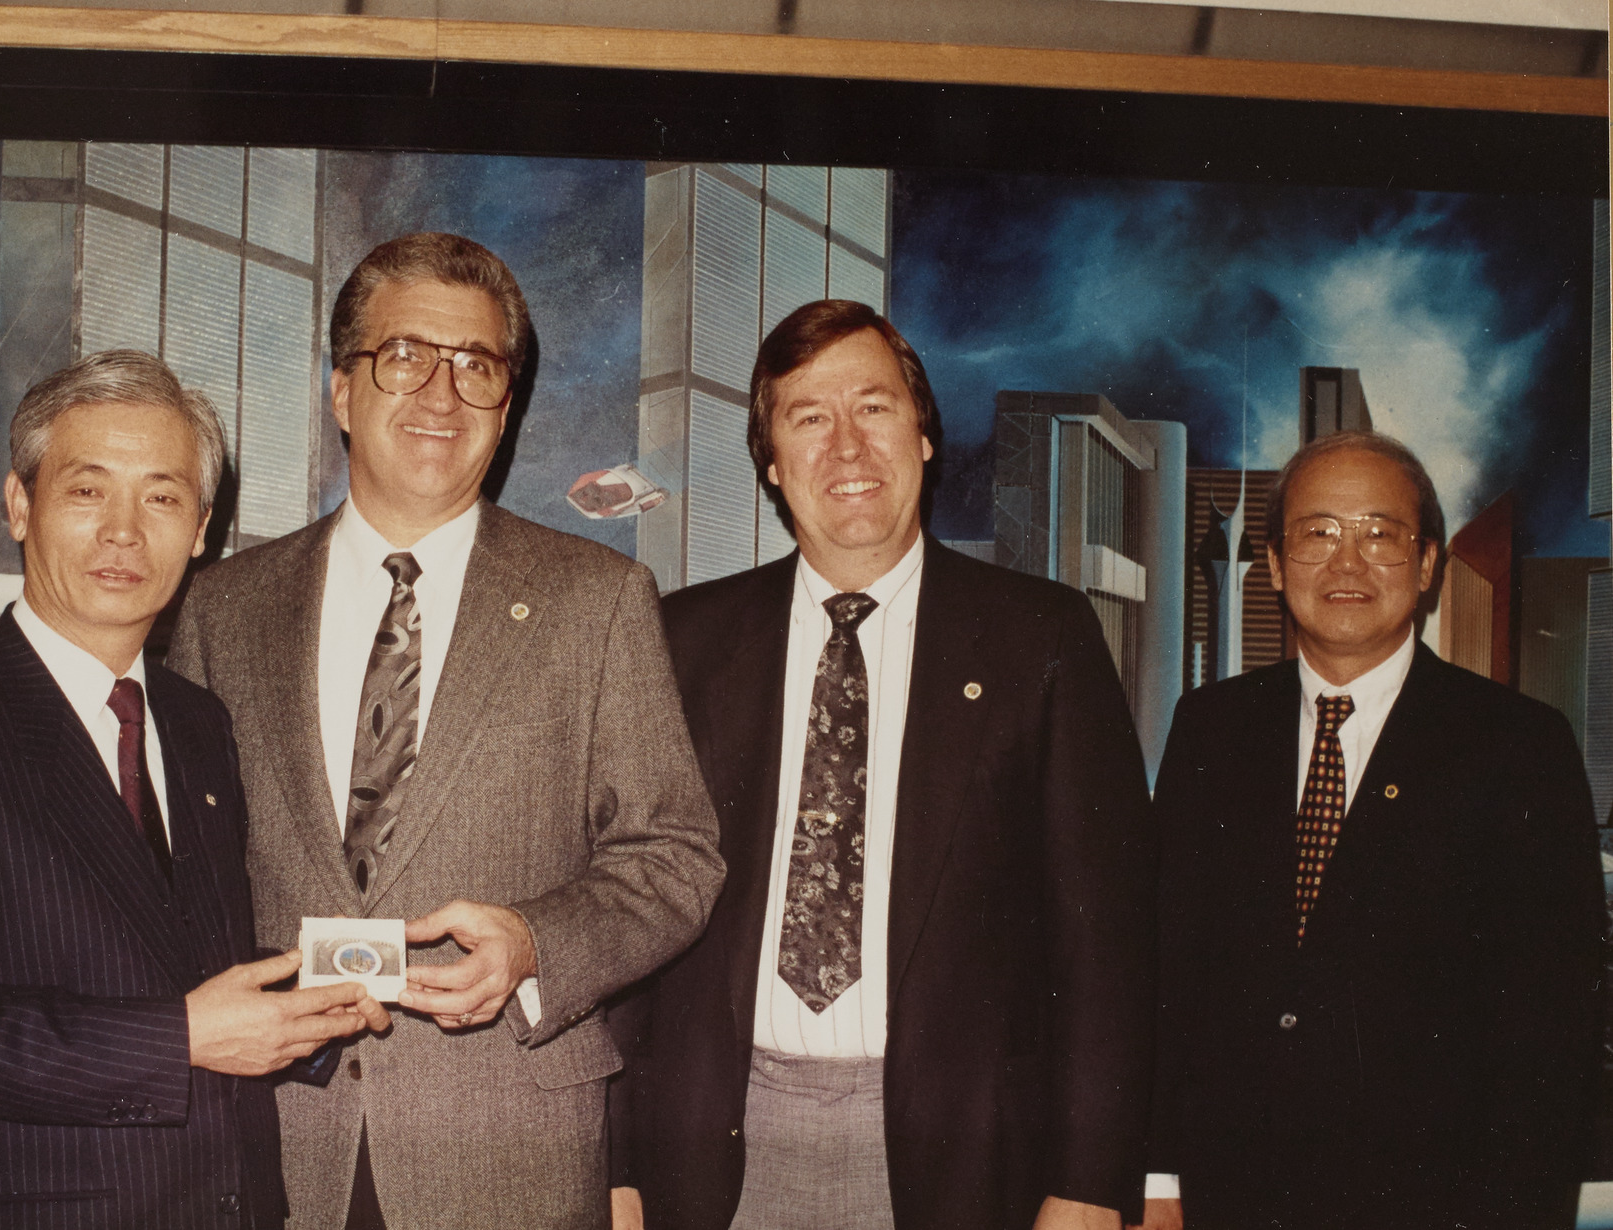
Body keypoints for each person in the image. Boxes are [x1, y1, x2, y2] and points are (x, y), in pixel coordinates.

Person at [167, 231, 725, 1229]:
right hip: (272, 1143)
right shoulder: (221, 609)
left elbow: (675, 857)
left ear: (505, 411)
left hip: (508, 1148)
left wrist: (535, 943)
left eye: (476, 368)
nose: (439, 394)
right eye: (404, 356)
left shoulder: (596, 601)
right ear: (342, 391)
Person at [612, 300, 1158, 1230]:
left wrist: (1090, 1186)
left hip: (965, 1152)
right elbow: (628, 907)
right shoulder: (680, 639)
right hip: (711, 1147)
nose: (846, 448)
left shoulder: (1043, 638)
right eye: (808, 417)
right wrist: (618, 1173)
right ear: (772, 464)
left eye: (873, 408)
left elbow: (1104, 941)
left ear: (925, 436)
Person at [0, 350, 375, 1228]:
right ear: (18, 505)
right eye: (87, 491)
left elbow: (181, 965)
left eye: (162, 497)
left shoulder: (200, 726)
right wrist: (185, 1037)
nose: (125, 531)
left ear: (200, 529)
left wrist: (318, 1002)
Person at [1142, 431, 1604, 1230]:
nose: (1346, 564)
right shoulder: (1210, 728)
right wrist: (1154, 1176)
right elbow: (1164, 969)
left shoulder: (1518, 746)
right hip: (1228, 1199)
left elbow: (1551, 1035)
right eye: (1317, 533)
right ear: (1276, 565)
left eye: (1378, 535)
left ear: (1426, 565)